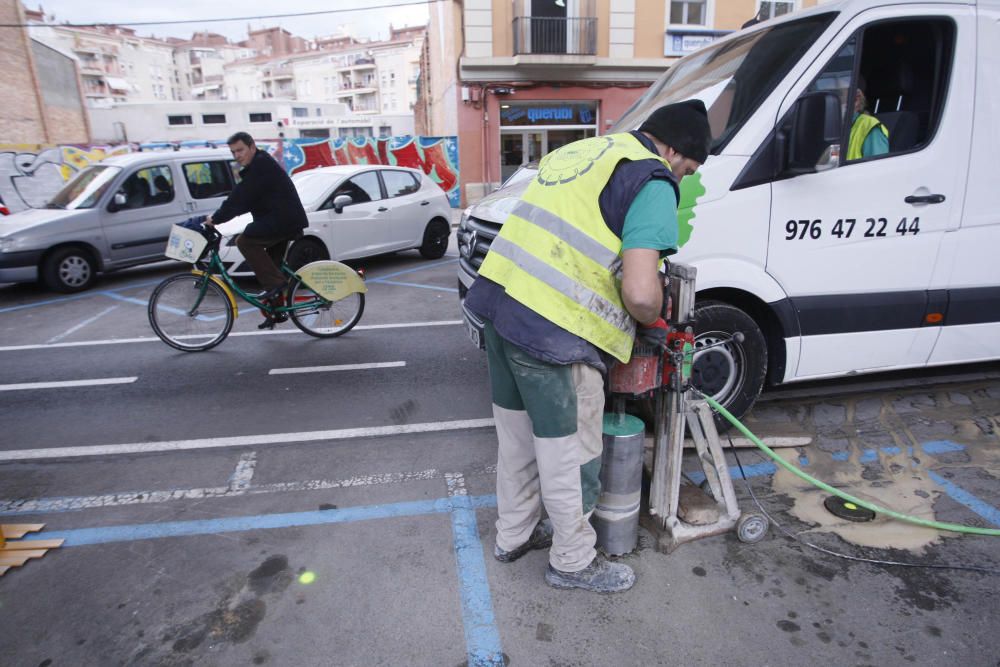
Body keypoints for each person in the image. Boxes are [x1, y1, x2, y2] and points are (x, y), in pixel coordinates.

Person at [465, 100, 711, 593]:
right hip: (553, 332)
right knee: (571, 451)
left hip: (498, 304)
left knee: (516, 441)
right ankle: (573, 560)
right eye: (687, 168)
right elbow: (641, 292)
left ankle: (512, 536)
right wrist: (654, 320)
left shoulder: (587, 151)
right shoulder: (652, 178)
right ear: (675, 150)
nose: (682, 178)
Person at [205, 131, 308, 328]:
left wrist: (216, 218)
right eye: (233, 152)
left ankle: (278, 285)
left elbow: (241, 197)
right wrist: (222, 215)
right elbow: (244, 198)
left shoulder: (260, 166)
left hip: (283, 221)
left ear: (252, 147)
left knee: (245, 241)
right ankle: (276, 313)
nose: (237, 156)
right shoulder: (257, 165)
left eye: (240, 150)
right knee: (271, 266)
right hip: (280, 220)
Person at [847, 78, 889, 160]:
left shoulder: (870, 128)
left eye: (839, 93)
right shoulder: (832, 126)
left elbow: (877, 169)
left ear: (856, 99)